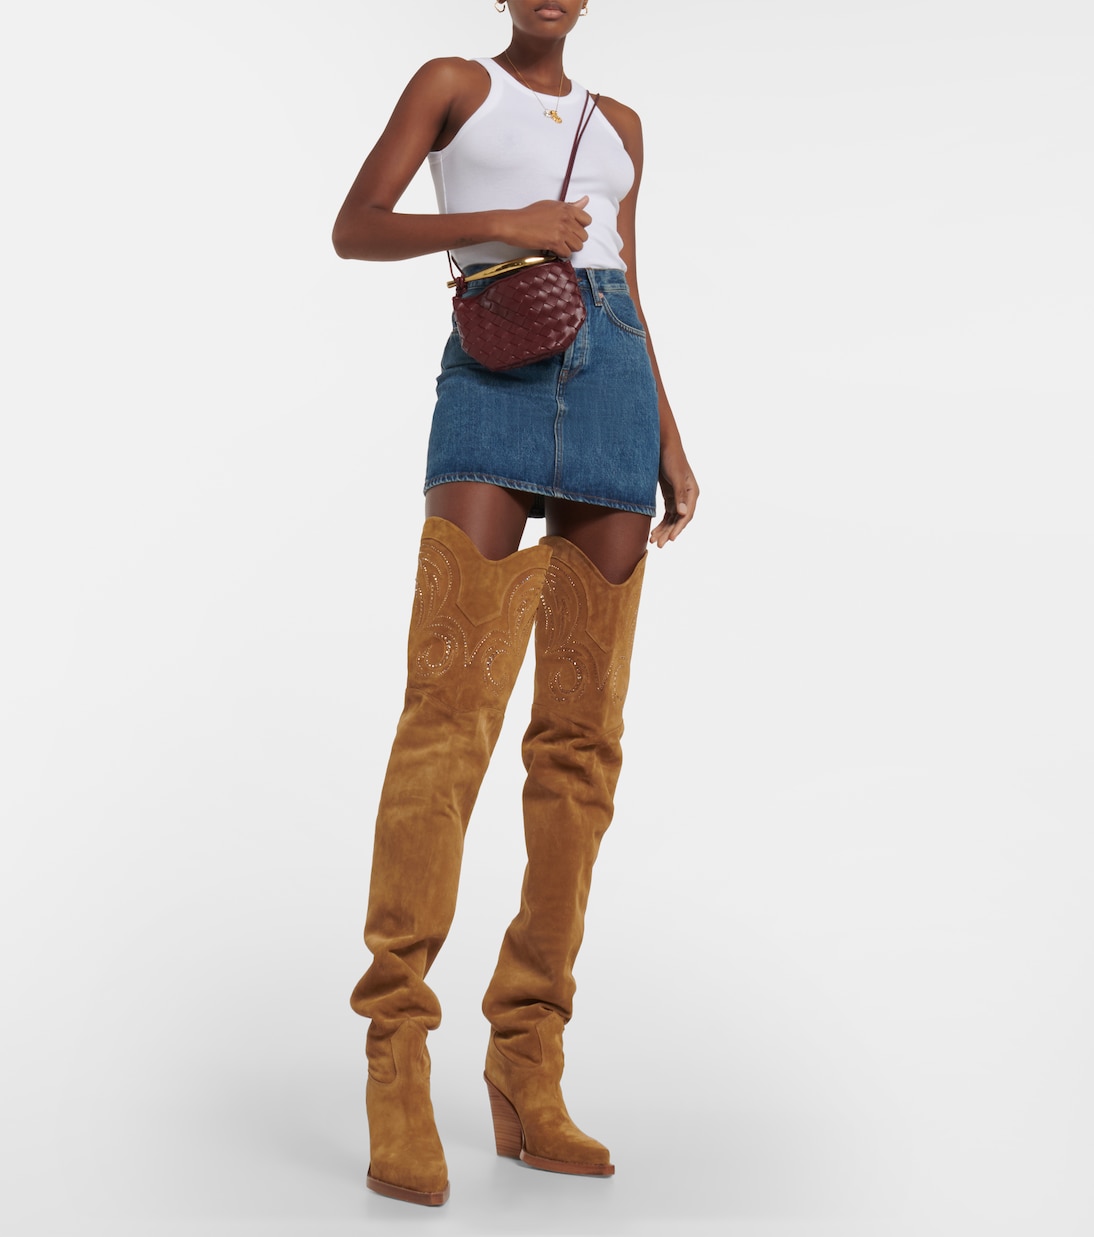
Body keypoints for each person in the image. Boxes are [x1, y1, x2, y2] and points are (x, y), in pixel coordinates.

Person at [332, 0, 698, 1208]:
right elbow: (356, 227)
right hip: (493, 371)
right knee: (446, 718)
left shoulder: (620, 121)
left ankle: (527, 1061)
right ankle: (396, 1055)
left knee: (580, 746)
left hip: (614, 378)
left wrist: (668, 439)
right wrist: (509, 225)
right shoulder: (452, 82)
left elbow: (628, 279)